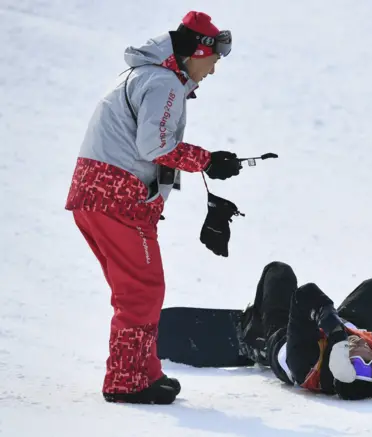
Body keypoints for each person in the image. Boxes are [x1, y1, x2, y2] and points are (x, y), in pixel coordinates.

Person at [65, 11, 243, 405]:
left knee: (137, 292)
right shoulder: (162, 82)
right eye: (214, 58)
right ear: (198, 50)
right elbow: (154, 147)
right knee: (142, 293)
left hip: (97, 194)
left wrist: (204, 163)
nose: (214, 69)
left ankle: (143, 374)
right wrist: (208, 160)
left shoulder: (148, 76)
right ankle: (126, 381)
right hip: (118, 198)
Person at [239, 262, 372, 400]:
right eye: (370, 353)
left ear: (338, 361)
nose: (360, 344)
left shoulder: (306, 363)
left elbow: (305, 294)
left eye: (353, 353)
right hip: (345, 325)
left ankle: (258, 341)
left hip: (286, 335)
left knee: (280, 272)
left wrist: (336, 336)